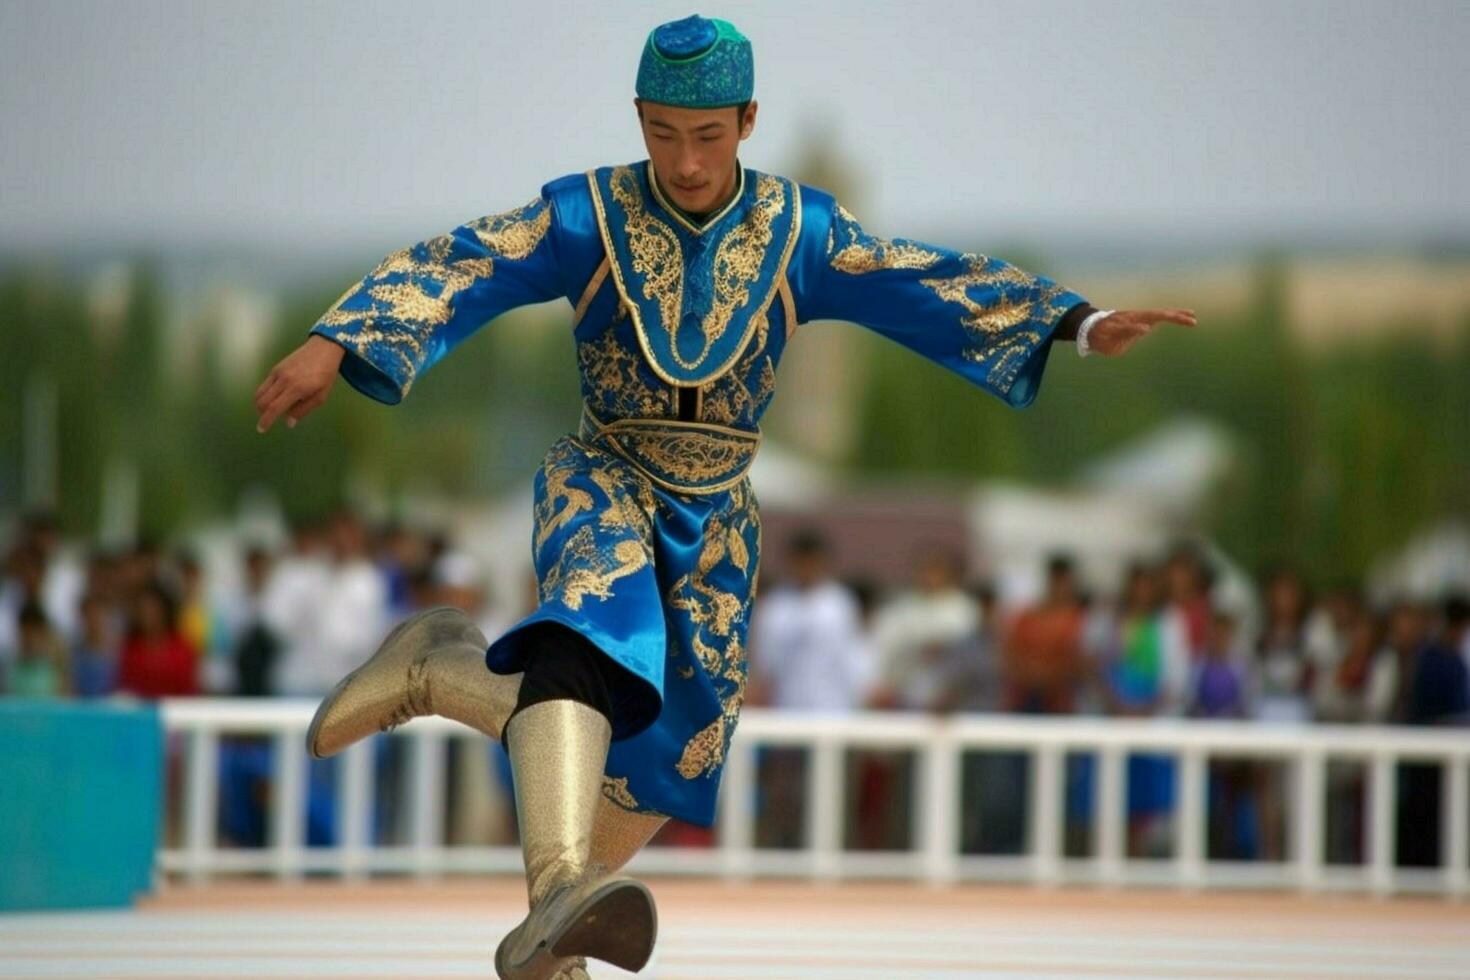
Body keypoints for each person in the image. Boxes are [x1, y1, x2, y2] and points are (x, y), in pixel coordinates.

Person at [253, 14, 1195, 978]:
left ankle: (442, 669)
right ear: (638, 120)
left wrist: (1076, 322)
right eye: (662, 133)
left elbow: (925, 282)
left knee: (669, 755)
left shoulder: (803, 233)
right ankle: (556, 908)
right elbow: (464, 262)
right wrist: (340, 337)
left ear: (747, 121)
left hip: (719, 519)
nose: (686, 161)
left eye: (706, 136)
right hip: (604, 476)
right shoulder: (585, 217)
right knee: (591, 638)